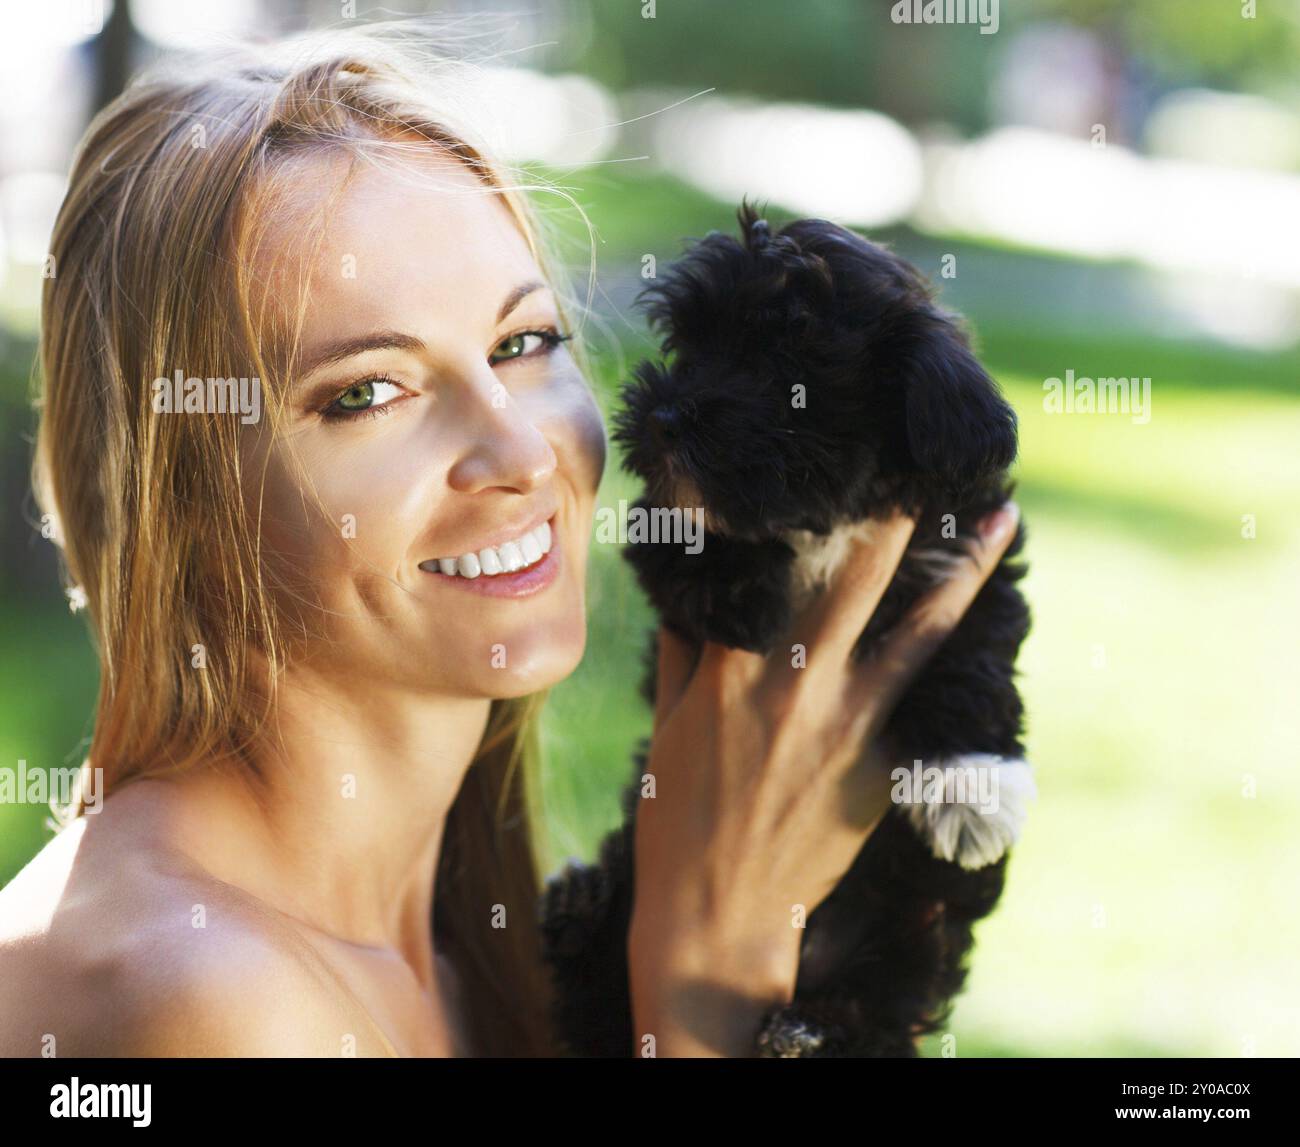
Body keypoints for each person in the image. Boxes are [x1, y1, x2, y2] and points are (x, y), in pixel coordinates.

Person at [0, 28, 1020, 1058]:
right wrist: (706, 986)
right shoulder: (204, 999)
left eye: (523, 343)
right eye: (368, 392)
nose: (520, 450)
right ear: (181, 502)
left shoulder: (473, 952)